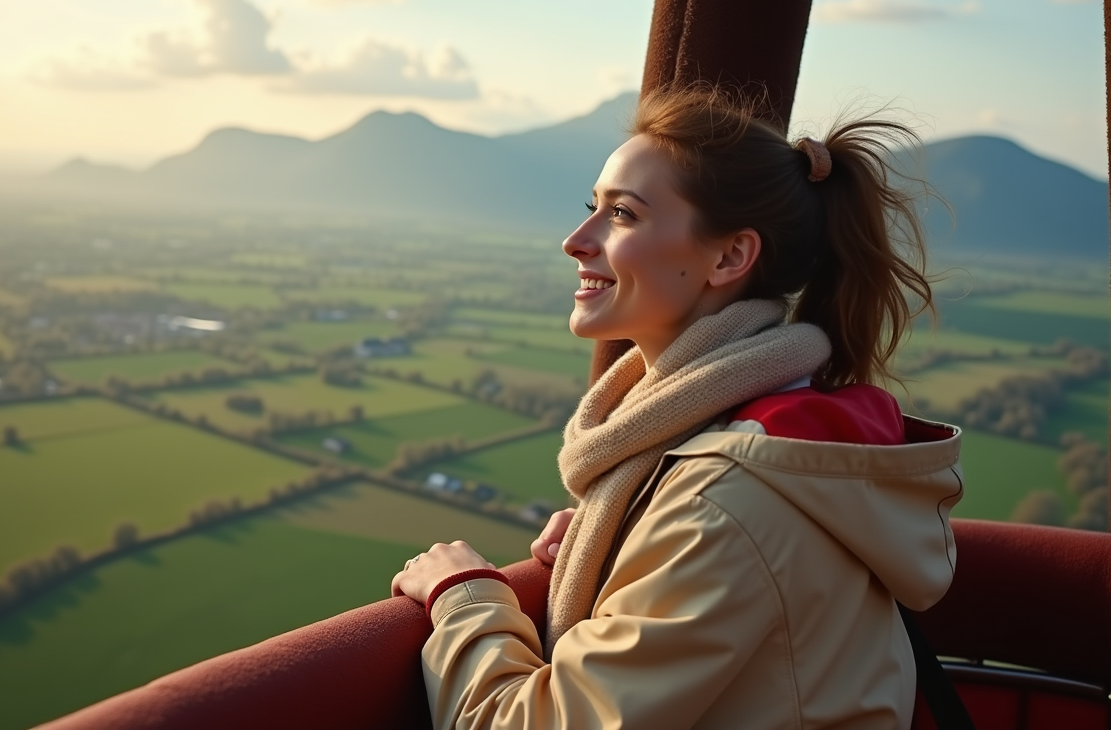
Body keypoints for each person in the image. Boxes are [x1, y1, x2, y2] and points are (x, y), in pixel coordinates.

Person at [390, 86, 964, 730]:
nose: (576, 241)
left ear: (729, 257)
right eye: (592, 208)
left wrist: (464, 597)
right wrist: (631, 532)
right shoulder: (760, 449)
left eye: (623, 215)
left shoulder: (726, 498)